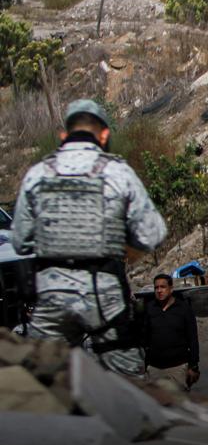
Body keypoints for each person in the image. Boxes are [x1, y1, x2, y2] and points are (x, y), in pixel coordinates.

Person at [12, 99, 167, 377]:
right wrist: (126, 250)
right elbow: (154, 233)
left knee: (42, 381)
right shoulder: (117, 171)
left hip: (51, 295)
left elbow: (20, 242)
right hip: (103, 292)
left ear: (63, 136)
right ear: (104, 135)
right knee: (130, 385)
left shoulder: (37, 174)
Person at [143, 273, 200, 389]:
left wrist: (193, 366)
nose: (159, 290)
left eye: (163, 287)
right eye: (156, 288)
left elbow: (193, 338)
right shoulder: (149, 309)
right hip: (154, 368)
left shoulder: (184, 309)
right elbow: (144, 337)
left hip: (177, 368)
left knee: (178, 403)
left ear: (171, 289)